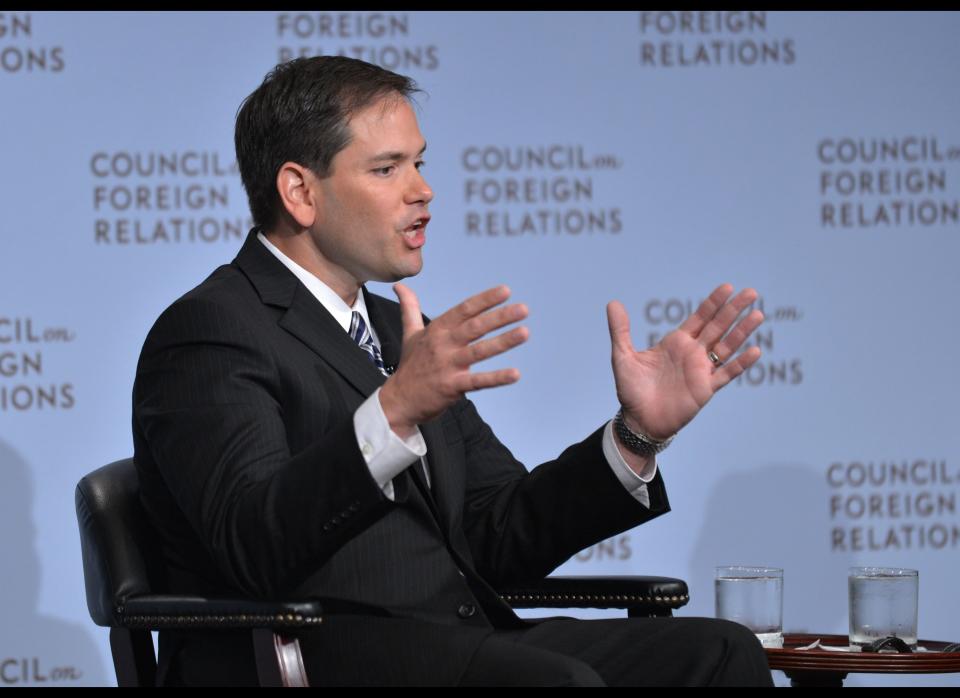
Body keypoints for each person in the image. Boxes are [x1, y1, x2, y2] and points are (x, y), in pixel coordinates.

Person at [132, 55, 773, 686]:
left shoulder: (395, 328)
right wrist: (393, 411)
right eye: (387, 169)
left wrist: (636, 435)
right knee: (555, 682)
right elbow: (253, 545)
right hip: (315, 656)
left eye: (419, 162)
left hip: (461, 645)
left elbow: (498, 535)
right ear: (300, 192)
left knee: (721, 653)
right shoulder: (210, 332)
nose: (422, 190)